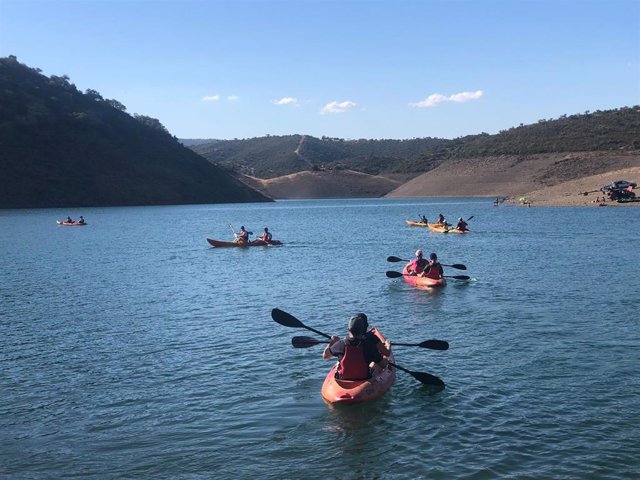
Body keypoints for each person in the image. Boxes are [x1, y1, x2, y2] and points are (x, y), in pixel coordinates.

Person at [323, 313, 391, 380]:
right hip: (363, 377)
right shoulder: (369, 345)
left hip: (343, 378)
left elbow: (325, 356)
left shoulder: (341, 344)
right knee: (375, 364)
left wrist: (332, 342)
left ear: (349, 329)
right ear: (363, 329)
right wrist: (386, 359)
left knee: (339, 361)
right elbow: (383, 365)